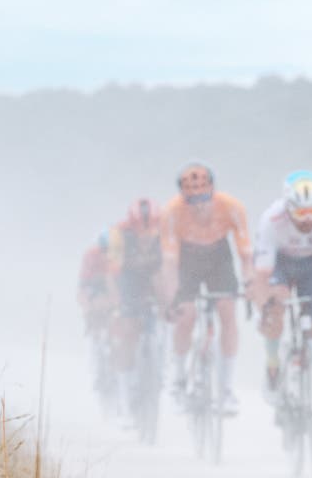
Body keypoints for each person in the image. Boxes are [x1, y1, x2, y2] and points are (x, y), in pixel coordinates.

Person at [248, 170, 312, 444]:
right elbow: (262, 275)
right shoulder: (271, 220)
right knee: (275, 305)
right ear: (288, 208)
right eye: (300, 214)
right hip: (281, 264)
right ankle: (273, 363)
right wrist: (265, 305)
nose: (308, 220)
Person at [161, 161, 252, 415]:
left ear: (213, 192)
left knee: (227, 311)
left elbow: (245, 254)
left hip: (218, 257)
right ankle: (178, 378)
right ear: (183, 197)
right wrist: (172, 298)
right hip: (186, 257)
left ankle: (226, 389)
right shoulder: (171, 212)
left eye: (204, 198)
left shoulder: (232, 207)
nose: (199, 206)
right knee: (186, 315)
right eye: (192, 200)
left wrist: (249, 282)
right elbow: (169, 262)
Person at [105, 198, 164, 394]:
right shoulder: (119, 234)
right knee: (128, 333)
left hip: (153, 278)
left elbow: (171, 270)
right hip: (127, 280)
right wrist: (117, 303)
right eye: (139, 229)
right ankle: (124, 390)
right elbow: (112, 274)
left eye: (151, 228)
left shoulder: (166, 231)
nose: (145, 234)